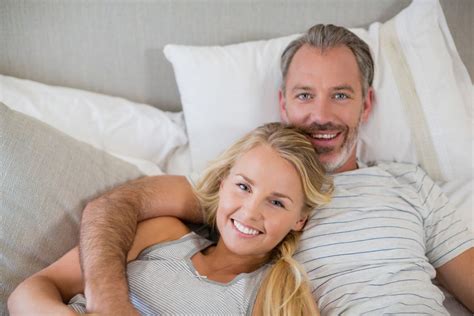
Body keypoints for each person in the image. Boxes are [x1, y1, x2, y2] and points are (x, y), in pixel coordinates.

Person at [76, 24, 473, 315]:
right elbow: (112, 208)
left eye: (340, 95)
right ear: (283, 104)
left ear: (365, 105)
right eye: (305, 95)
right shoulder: (247, 188)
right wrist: (109, 303)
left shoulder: (408, 185)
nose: (320, 115)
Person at [8, 123, 333, 315]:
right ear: (222, 184)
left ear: (299, 220)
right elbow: (28, 293)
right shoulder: (163, 234)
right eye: (243, 186)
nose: (250, 211)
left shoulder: (278, 295)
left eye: (276, 202)